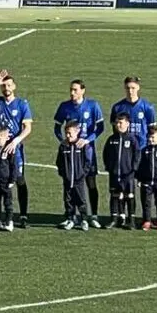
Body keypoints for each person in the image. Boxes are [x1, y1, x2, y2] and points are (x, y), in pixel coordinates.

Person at [52, 79, 105, 228]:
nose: (72, 93)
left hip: (87, 151)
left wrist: (88, 140)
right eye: (71, 89)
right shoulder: (64, 106)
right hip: (71, 153)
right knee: (70, 184)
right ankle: (72, 216)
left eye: (75, 90)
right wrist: (63, 141)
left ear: (83, 90)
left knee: (90, 182)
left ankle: (93, 215)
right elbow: (57, 127)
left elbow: (100, 128)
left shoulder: (93, 106)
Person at [0, 72, 34, 226]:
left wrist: (16, 141)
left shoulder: (22, 104)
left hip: (14, 149)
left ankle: (23, 215)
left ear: (14, 86)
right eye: (4, 86)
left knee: (19, 179)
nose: (6, 88)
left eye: (9, 85)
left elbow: (27, 127)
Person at [100, 113, 138, 229]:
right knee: (114, 195)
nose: (118, 125)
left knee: (129, 196)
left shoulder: (132, 139)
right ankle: (114, 219)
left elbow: (137, 154)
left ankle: (131, 220)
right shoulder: (111, 139)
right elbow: (106, 153)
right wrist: (109, 167)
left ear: (127, 124)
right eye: (117, 123)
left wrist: (134, 168)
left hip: (128, 174)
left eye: (121, 122)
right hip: (115, 173)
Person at [55, 122, 94, 231]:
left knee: (81, 200)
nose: (68, 135)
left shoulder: (82, 146)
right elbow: (59, 161)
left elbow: (88, 162)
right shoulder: (63, 146)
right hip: (67, 179)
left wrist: (82, 173)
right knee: (68, 200)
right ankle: (70, 219)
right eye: (66, 133)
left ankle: (84, 220)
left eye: (70, 133)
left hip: (78, 179)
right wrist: (63, 173)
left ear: (77, 132)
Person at [135, 125, 157, 229]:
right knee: (146, 201)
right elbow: (140, 166)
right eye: (149, 137)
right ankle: (147, 220)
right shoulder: (144, 150)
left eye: (153, 137)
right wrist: (139, 179)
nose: (151, 139)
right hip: (146, 181)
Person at [111, 76, 157, 149]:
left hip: (142, 148)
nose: (130, 91)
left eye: (133, 88)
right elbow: (115, 131)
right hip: (125, 148)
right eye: (128, 88)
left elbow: (153, 130)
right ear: (124, 88)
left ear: (138, 87)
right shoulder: (117, 107)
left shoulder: (148, 107)